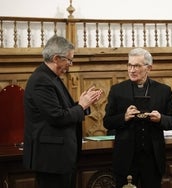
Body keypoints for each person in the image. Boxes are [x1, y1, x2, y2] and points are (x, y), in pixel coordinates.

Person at [23, 35, 103, 188]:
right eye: (69, 60)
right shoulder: (41, 80)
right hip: (51, 159)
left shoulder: (51, 78)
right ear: (56, 58)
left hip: (59, 157)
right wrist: (81, 106)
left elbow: (62, 110)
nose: (70, 64)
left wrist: (82, 104)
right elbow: (57, 117)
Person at [103, 47, 172, 188]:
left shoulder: (163, 91)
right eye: (129, 65)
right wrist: (124, 117)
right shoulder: (118, 90)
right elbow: (107, 122)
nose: (132, 70)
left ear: (149, 68)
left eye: (137, 66)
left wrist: (161, 118)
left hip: (153, 159)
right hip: (126, 159)